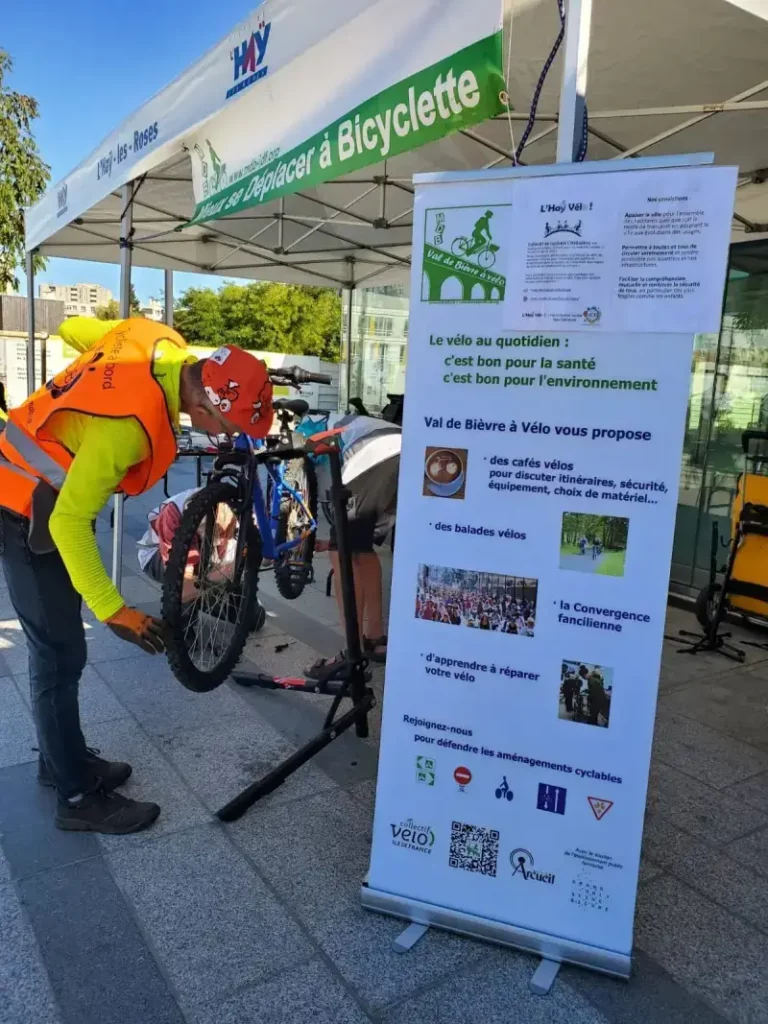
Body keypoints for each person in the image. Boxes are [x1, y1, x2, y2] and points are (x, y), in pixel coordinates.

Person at [0, 316, 273, 835]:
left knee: (57, 651)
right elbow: (68, 522)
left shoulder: (154, 338)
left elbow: (72, 328)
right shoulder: (126, 426)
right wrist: (113, 608)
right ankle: (76, 798)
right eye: (229, 428)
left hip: (32, 484)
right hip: (23, 507)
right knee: (58, 653)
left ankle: (61, 761)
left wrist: (82, 386)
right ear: (203, 406)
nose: (226, 437)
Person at [306, 414, 400, 679]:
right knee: (360, 549)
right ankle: (374, 638)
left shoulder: (308, 428)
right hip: (397, 449)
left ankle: (352, 650)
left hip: (370, 454)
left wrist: (336, 539)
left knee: (343, 554)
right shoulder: (335, 419)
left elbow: (318, 479)